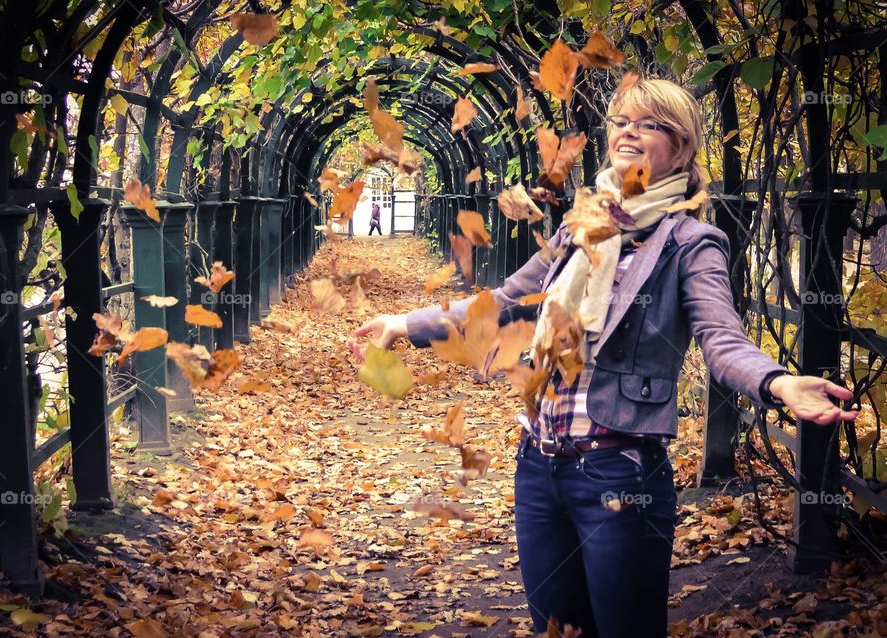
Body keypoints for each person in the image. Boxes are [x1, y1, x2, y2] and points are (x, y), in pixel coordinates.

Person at [352, 78, 858, 637]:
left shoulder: (691, 242)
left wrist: (779, 383)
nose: (628, 133)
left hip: (618, 473)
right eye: (621, 121)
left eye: (648, 124)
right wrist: (405, 324)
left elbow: (722, 339)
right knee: (559, 630)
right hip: (539, 467)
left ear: (681, 147)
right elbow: (505, 302)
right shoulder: (581, 226)